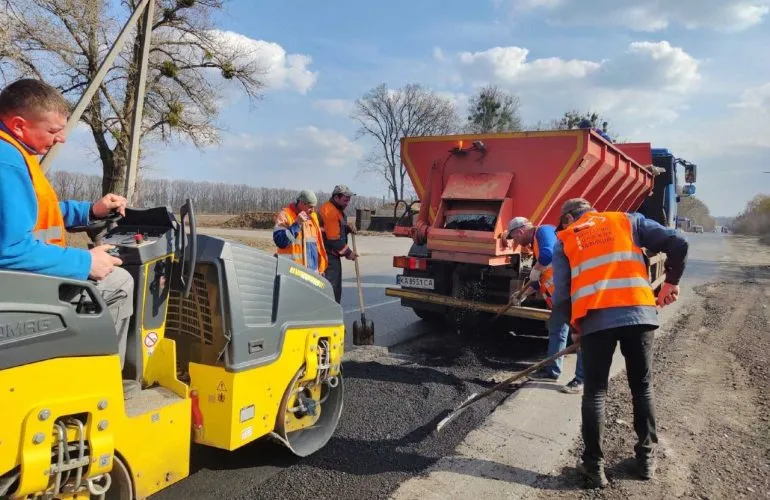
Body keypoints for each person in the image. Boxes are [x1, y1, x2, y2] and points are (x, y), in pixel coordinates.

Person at [550, 198, 688, 488]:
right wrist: (670, 283)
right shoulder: (628, 220)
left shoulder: (566, 239)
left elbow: (561, 296)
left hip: (595, 322)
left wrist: (576, 328)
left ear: (567, 219)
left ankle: (593, 468)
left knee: (596, 392)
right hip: (639, 314)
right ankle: (647, 459)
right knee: (642, 386)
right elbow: (677, 242)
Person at [0, 78, 134, 370]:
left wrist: (92, 211)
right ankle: (102, 381)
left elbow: (34, 213)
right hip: (13, 287)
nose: (61, 139)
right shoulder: (6, 161)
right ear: (19, 124)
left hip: (17, 278)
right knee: (120, 282)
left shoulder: (12, 151)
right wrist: (85, 262)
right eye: (53, 131)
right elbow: (8, 251)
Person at [505, 216, 584, 394]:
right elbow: (539, 278)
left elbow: (549, 255)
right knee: (556, 330)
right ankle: (552, 371)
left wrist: (536, 268)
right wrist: (523, 294)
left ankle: (580, 380)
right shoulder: (535, 246)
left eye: (515, 239)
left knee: (579, 335)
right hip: (559, 299)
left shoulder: (544, 231)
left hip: (572, 294)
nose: (517, 243)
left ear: (520, 231)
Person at [318, 185, 358, 303]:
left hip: (330, 254)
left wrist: (347, 228)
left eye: (349, 199)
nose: (348, 202)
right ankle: (330, 316)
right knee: (331, 288)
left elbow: (336, 229)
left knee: (333, 288)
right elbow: (333, 238)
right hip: (327, 255)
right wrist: (348, 253)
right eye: (346, 199)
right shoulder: (330, 211)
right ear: (336, 197)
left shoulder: (336, 210)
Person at [273, 189, 328, 275]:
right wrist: (297, 224)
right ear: (302, 203)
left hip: (312, 273)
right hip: (291, 273)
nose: (313, 210)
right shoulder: (285, 215)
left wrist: (320, 269)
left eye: (314, 207)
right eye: (310, 206)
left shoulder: (313, 217)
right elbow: (281, 241)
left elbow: (317, 245)